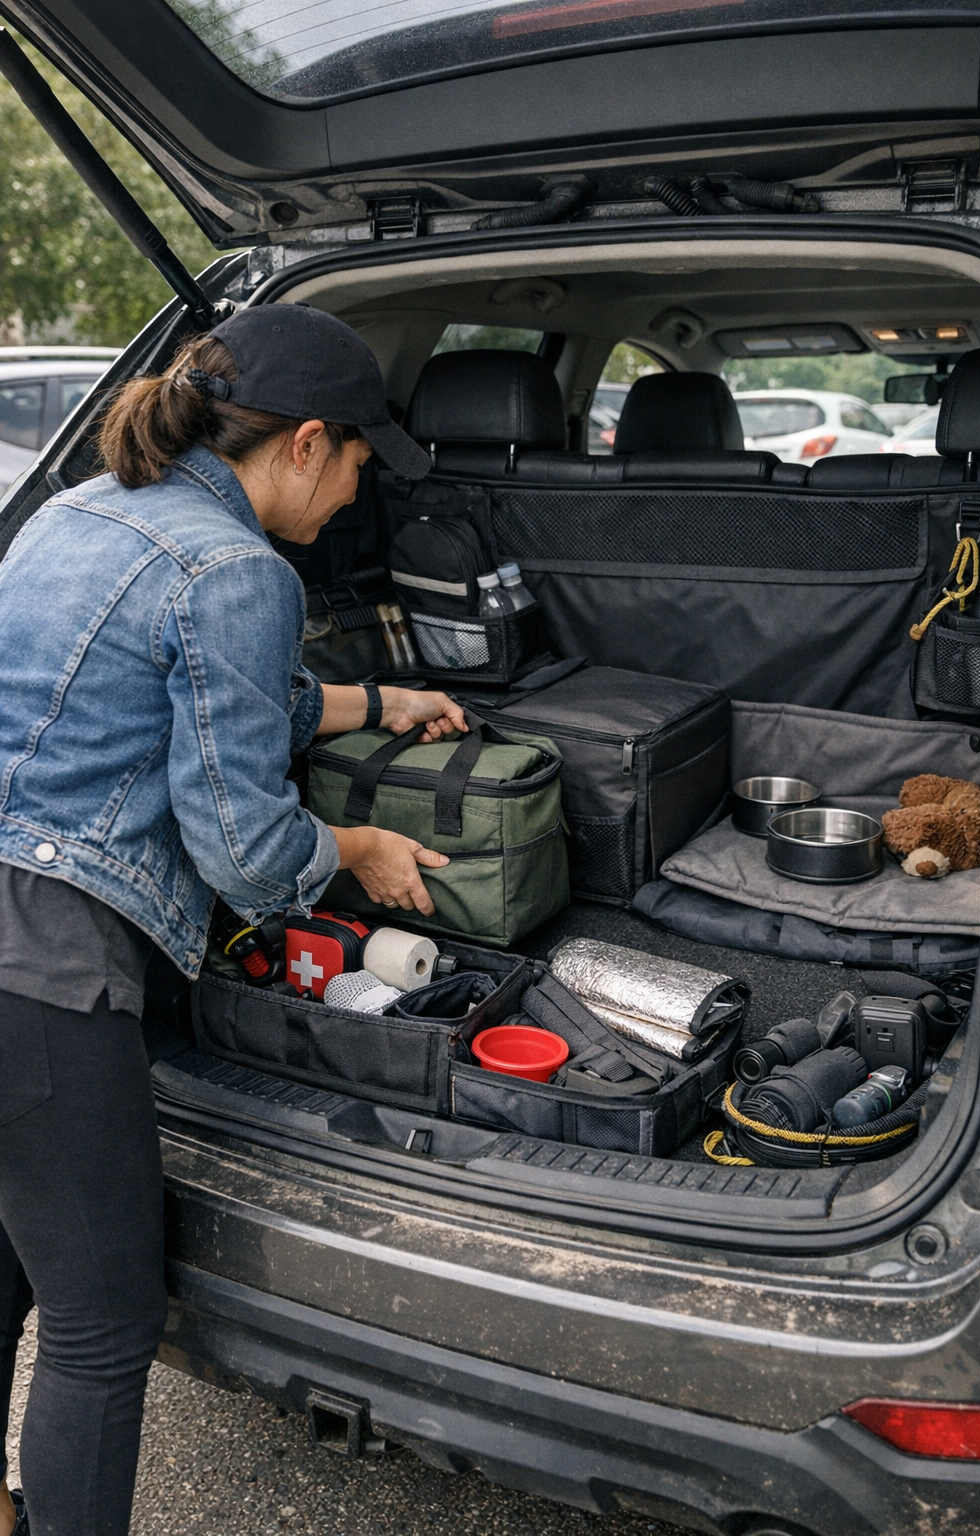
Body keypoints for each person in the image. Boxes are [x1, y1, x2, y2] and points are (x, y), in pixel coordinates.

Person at [0, 305, 466, 1536]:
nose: (359, 493)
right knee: (102, 1329)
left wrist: (381, 699)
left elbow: (209, 694)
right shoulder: (241, 571)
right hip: (39, 972)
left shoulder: (78, 511)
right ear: (306, 443)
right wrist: (355, 849)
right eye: (359, 461)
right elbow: (246, 850)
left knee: (8, 1271)